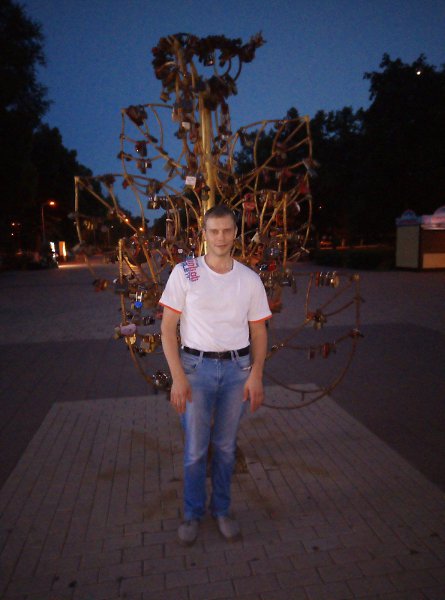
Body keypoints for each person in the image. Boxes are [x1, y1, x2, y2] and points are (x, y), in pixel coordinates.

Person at [159, 204, 272, 545]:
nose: (221, 237)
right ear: (204, 234)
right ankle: (192, 513)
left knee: (224, 447)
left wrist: (256, 375)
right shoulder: (186, 273)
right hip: (196, 370)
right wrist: (178, 377)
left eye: (227, 230)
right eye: (214, 231)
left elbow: (259, 332)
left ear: (236, 233)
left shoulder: (249, 279)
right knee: (195, 449)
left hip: (238, 371)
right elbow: (167, 328)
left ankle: (221, 509)